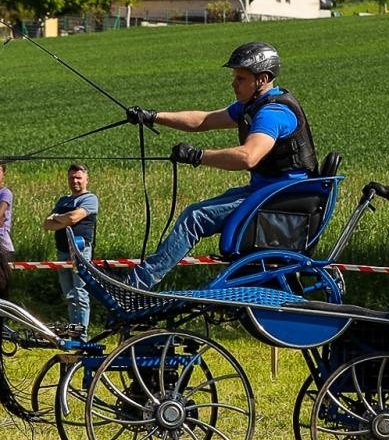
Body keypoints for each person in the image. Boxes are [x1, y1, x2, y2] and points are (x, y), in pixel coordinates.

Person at [122, 41, 317, 289]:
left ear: (262, 79)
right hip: (268, 192)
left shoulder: (273, 112)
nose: (233, 83)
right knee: (197, 213)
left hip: (279, 197)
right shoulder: (253, 106)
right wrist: (152, 116)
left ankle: (137, 285)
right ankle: (140, 281)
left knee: (196, 216)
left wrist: (198, 156)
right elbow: (203, 120)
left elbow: (248, 156)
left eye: (240, 78)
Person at [41, 163, 99, 333]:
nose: (75, 181)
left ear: (86, 179)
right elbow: (47, 224)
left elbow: (74, 217)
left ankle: (82, 333)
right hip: (62, 251)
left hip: (80, 252)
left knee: (80, 294)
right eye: (72, 178)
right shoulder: (63, 200)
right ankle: (73, 331)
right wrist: (63, 220)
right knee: (69, 294)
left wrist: (58, 217)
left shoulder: (89, 199)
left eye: (78, 177)